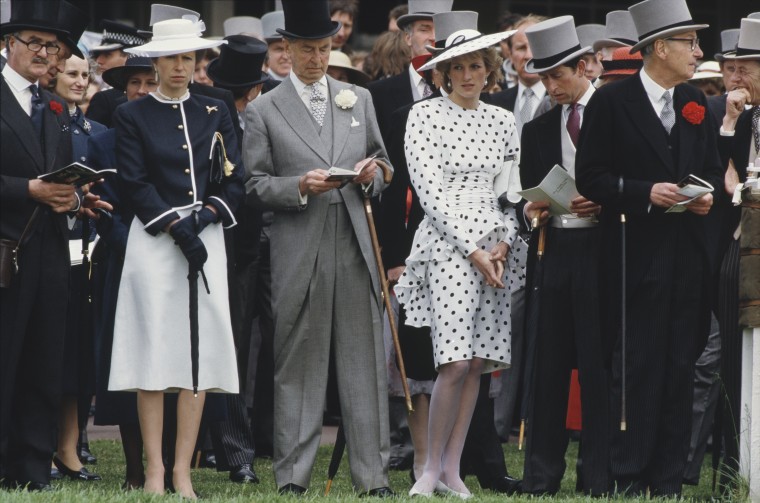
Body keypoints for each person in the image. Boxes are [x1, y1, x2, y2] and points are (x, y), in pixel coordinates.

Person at [243, 0, 393, 495]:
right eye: (308, 50)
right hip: (299, 245)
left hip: (353, 244)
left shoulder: (358, 98)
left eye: (325, 49)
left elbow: (385, 166)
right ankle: (292, 476)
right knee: (298, 364)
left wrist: (373, 176)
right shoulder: (264, 107)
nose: (317, 59)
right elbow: (255, 184)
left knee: (364, 363)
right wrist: (300, 187)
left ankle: (372, 477)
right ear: (286, 50)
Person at [575, 0, 723, 496]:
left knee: (682, 364)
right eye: (690, 42)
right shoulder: (612, 102)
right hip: (632, 253)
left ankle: (669, 477)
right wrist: (643, 191)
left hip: (686, 254)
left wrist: (702, 197)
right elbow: (590, 177)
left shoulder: (694, 102)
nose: (698, 52)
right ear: (659, 47)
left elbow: (706, 167)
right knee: (637, 365)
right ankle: (628, 472)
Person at [107, 18, 244, 499]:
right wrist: (174, 226)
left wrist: (205, 217)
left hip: (206, 238)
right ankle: (155, 470)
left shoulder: (215, 108)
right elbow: (133, 181)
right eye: (171, 58)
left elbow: (234, 179)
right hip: (155, 239)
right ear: (155, 61)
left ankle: (183, 470)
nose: (181, 67)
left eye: (189, 58)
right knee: (153, 352)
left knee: (198, 355)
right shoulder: (133, 115)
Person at [395, 27, 522, 498]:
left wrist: (503, 244)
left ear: (489, 70)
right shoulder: (423, 116)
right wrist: (471, 249)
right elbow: (428, 193)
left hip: (495, 244)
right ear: (443, 74)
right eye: (458, 67)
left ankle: (452, 469)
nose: (468, 75)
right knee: (454, 360)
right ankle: (427, 469)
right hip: (448, 243)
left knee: (478, 364)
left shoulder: (503, 120)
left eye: (476, 66)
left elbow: (511, 194)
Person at [0, 0, 106, 490]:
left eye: (54, 47)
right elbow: (29, 180)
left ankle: (31, 467)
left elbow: (55, 172)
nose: (45, 54)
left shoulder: (56, 105)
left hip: (49, 251)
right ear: (9, 44)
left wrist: (75, 197)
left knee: (45, 359)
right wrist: (29, 190)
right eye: (35, 44)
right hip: (4, 249)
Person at [518, 16, 608, 497]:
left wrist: (606, 200)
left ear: (586, 67)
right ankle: (541, 476)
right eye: (544, 78)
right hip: (554, 250)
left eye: (559, 76)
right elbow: (522, 194)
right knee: (547, 365)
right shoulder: (537, 129)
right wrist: (531, 210)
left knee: (597, 366)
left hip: (602, 249)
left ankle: (596, 477)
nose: (552, 87)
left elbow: (631, 181)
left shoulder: (613, 112)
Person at [88, 55, 157, 491]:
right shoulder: (106, 142)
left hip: (175, 254)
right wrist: (132, 245)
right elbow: (102, 210)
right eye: (134, 82)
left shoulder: (182, 132)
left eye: (150, 81)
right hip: (124, 259)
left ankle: (169, 463)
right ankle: (135, 468)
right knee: (128, 361)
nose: (142, 90)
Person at [49, 52, 106, 482]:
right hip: (44, 248)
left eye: (86, 75)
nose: (80, 81)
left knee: (77, 356)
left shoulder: (99, 133)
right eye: (72, 73)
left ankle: (70, 448)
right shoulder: (41, 123)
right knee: (45, 355)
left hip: (87, 254)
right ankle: (38, 443)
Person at [714, 16, 760, 491]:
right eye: (734, 66)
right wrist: (729, 121)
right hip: (740, 247)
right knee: (732, 358)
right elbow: (724, 171)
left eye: (748, 66)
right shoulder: (746, 117)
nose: (738, 76)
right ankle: (731, 470)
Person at [368, 0, 452, 143]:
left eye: (439, 30)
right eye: (424, 29)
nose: (432, 37)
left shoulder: (461, 87)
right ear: (408, 38)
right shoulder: (378, 93)